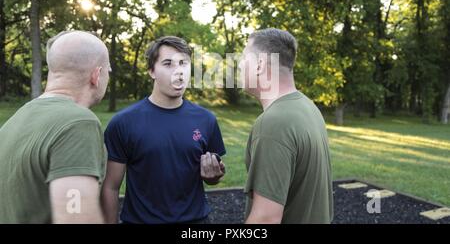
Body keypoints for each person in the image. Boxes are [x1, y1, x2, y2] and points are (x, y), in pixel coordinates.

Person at [101, 36, 226, 224]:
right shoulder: (123, 123)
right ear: (152, 71)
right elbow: (110, 187)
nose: (178, 72)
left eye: (183, 63)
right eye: (168, 64)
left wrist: (213, 177)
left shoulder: (206, 120)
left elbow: (212, 178)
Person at [0, 30, 110, 223]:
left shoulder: (14, 121)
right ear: (97, 75)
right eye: (108, 72)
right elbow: (76, 218)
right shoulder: (78, 123)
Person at [239, 28, 333, 224]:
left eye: (244, 57)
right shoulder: (308, 107)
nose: (239, 65)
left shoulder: (274, 123)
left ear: (260, 65)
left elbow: (266, 219)